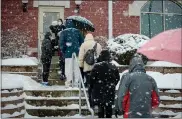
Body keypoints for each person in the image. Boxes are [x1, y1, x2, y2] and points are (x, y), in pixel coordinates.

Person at [90, 49, 120, 118]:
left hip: (99, 91)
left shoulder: (97, 66)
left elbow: (92, 79)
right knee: (109, 109)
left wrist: (94, 86)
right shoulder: (113, 66)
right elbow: (117, 78)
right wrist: (112, 84)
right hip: (109, 91)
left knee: (100, 109)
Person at [60, 19, 84, 87]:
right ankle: (76, 82)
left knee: (68, 68)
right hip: (77, 52)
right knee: (76, 68)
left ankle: (69, 82)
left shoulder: (64, 32)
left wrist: (64, 51)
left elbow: (61, 43)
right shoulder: (77, 31)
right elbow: (82, 42)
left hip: (68, 53)